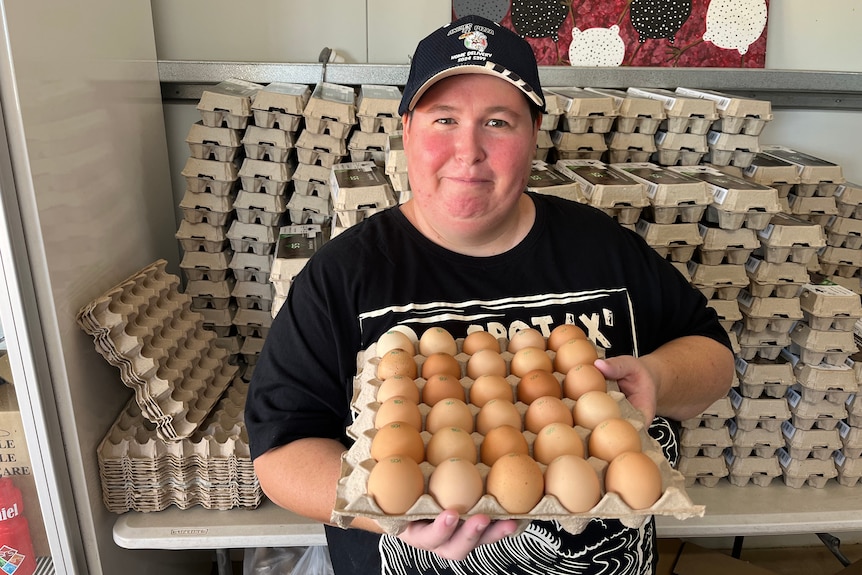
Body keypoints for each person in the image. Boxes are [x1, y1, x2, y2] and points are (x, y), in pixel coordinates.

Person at [247, 13, 734, 575]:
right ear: (407, 131)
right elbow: (282, 453)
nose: (468, 150)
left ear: (532, 135)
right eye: (444, 119)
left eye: (498, 123)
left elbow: (712, 357)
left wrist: (657, 377)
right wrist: (389, 509)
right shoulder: (345, 274)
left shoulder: (600, 248)